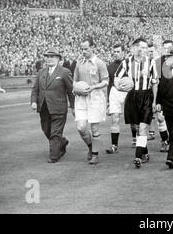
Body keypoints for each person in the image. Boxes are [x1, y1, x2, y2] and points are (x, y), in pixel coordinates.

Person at [30, 47, 74, 163]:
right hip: (44, 108)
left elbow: (71, 91)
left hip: (59, 108)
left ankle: (54, 156)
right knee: (46, 130)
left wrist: (73, 107)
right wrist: (34, 101)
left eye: (52, 57)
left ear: (58, 59)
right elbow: (35, 89)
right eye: (47, 57)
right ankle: (62, 142)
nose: (49, 59)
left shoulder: (64, 72)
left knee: (55, 133)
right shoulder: (41, 72)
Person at [121, 38, 158, 168]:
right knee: (136, 128)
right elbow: (116, 78)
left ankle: (138, 157)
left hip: (146, 96)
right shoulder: (126, 62)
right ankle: (145, 152)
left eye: (146, 48)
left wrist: (154, 101)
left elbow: (155, 83)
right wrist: (121, 87)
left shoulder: (151, 62)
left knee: (143, 128)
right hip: (132, 96)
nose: (144, 50)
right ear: (135, 48)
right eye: (142, 47)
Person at [73, 37, 109, 165]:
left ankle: (95, 154)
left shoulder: (99, 63)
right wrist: (75, 89)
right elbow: (75, 80)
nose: (83, 51)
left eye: (86, 49)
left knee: (94, 129)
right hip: (81, 98)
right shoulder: (79, 63)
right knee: (81, 127)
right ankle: (90, 146)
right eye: (82, 49)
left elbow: (106, 81)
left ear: (92, 47)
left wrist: (93, 87)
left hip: (95, 97)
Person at [105, 43, 126, 154]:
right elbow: (109, 84)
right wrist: (108, 101)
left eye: (118, 51)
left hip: (128, 92)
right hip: (115, 92)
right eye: (115, 52)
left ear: (123, 52)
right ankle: (114, 145)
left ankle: (135, 140)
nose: (116, 54)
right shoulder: (110, 67)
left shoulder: (129, 64)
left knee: (133, 120)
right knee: (115, 118)